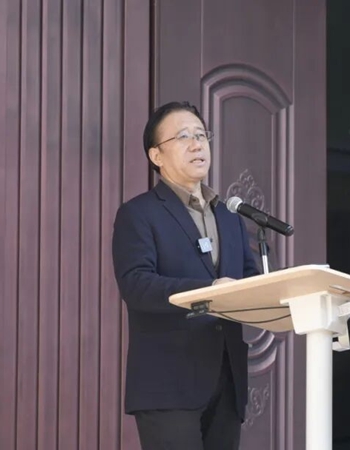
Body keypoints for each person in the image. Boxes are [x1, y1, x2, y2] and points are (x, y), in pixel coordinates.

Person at [112, 101, 261, 450]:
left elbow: (248, 279)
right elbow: (136, 285)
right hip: (168, 383)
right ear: (156, 155)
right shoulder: (139, 214)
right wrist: (209, 290)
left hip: (227, 379)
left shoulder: (229, 217)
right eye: (183, 137)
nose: (197, 145)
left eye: (201, 135)